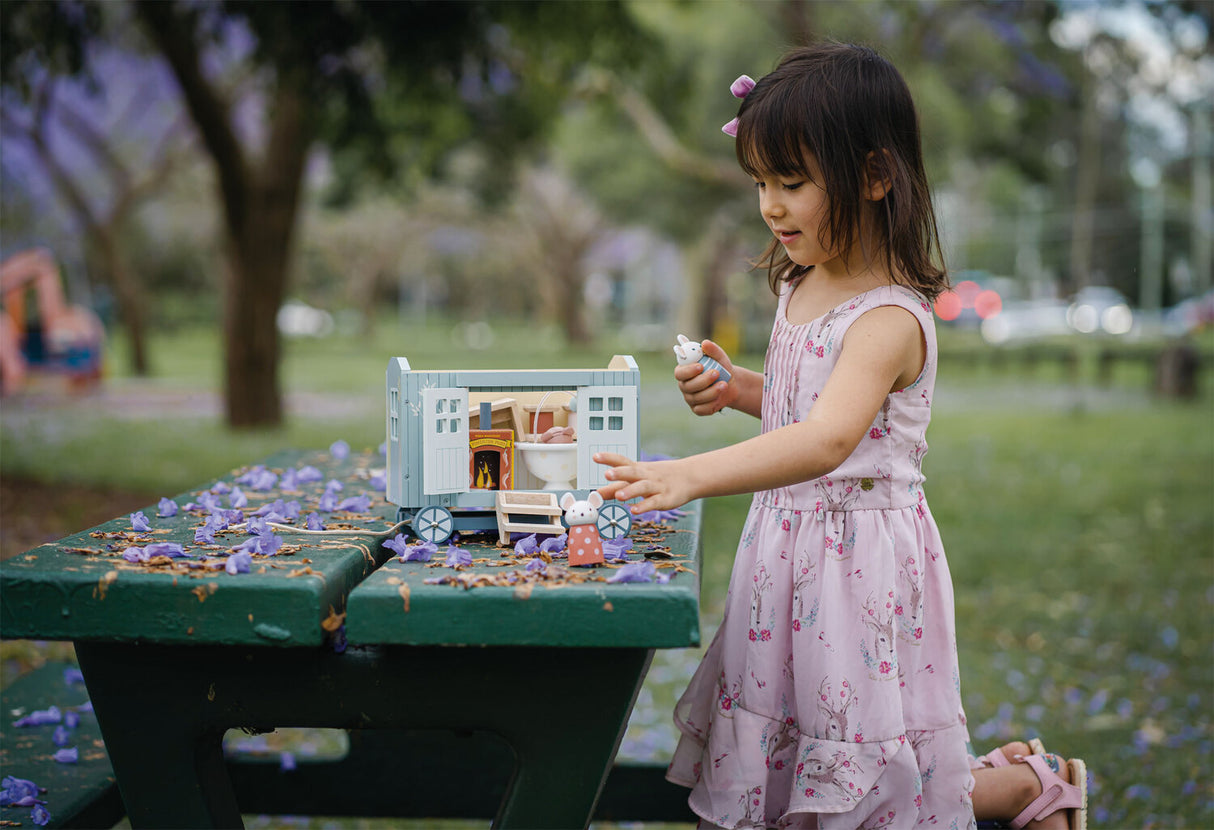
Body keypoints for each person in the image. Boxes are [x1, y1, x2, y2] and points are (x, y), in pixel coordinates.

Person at [595, 42, 1086, 830]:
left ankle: (1032, 789)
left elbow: (828, 441)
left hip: (854, 567)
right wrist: (738, 391)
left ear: (874, 176)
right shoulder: (802, 281)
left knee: (863, 762)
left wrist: (688, 474)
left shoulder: (888, 318)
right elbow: (802, 410)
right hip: (787, 554)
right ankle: (1026, 783)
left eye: (792, 183)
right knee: (797, 749)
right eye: (760, 182)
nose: (771, 206)